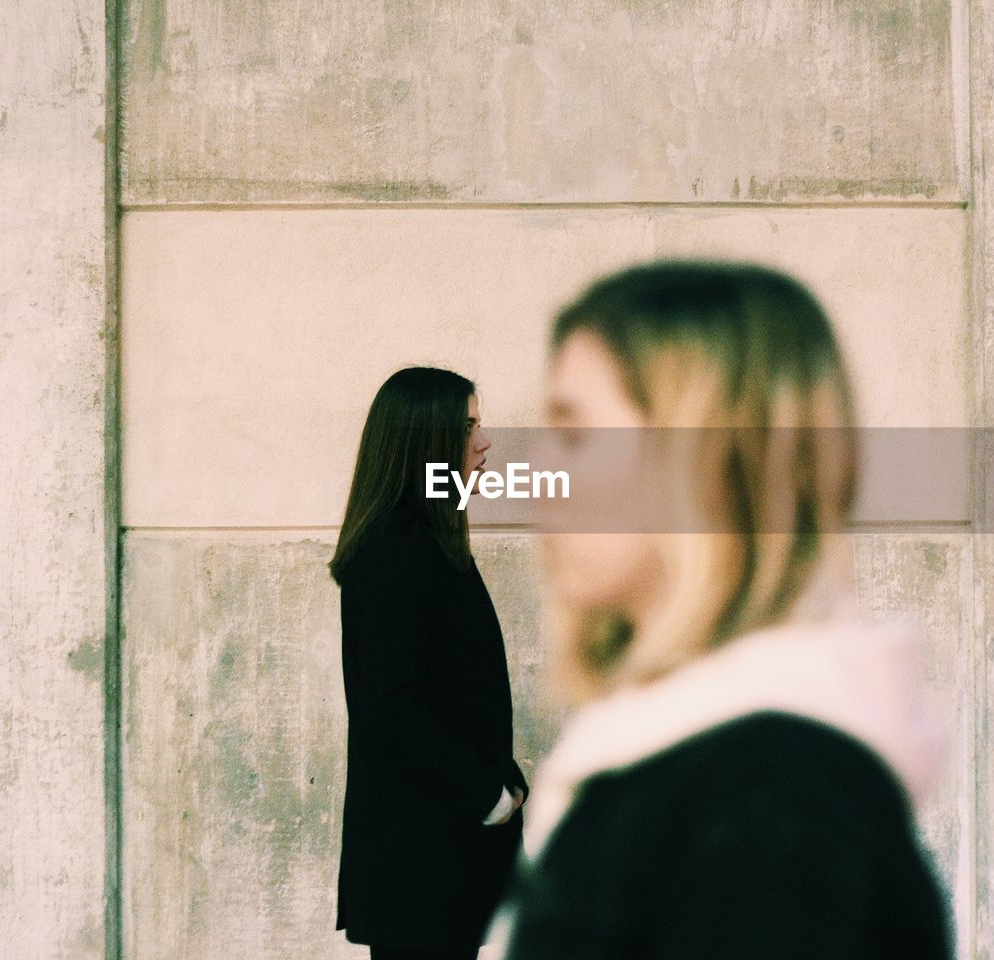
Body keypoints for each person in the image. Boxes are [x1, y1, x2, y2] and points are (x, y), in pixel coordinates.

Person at [486, 261, 954, 959]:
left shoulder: (778, 803)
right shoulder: (699, 761)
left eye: (576, 436)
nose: (537, 481)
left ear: (704, 457)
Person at [330, 366, 529, 960]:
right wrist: (488, 795)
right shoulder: (396, 551)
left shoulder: (427, 543)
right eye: (467, 426)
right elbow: (391, 711)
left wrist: (505, 783)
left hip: (442, 862)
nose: (483, 442)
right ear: (426, 443)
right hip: (421, 864)